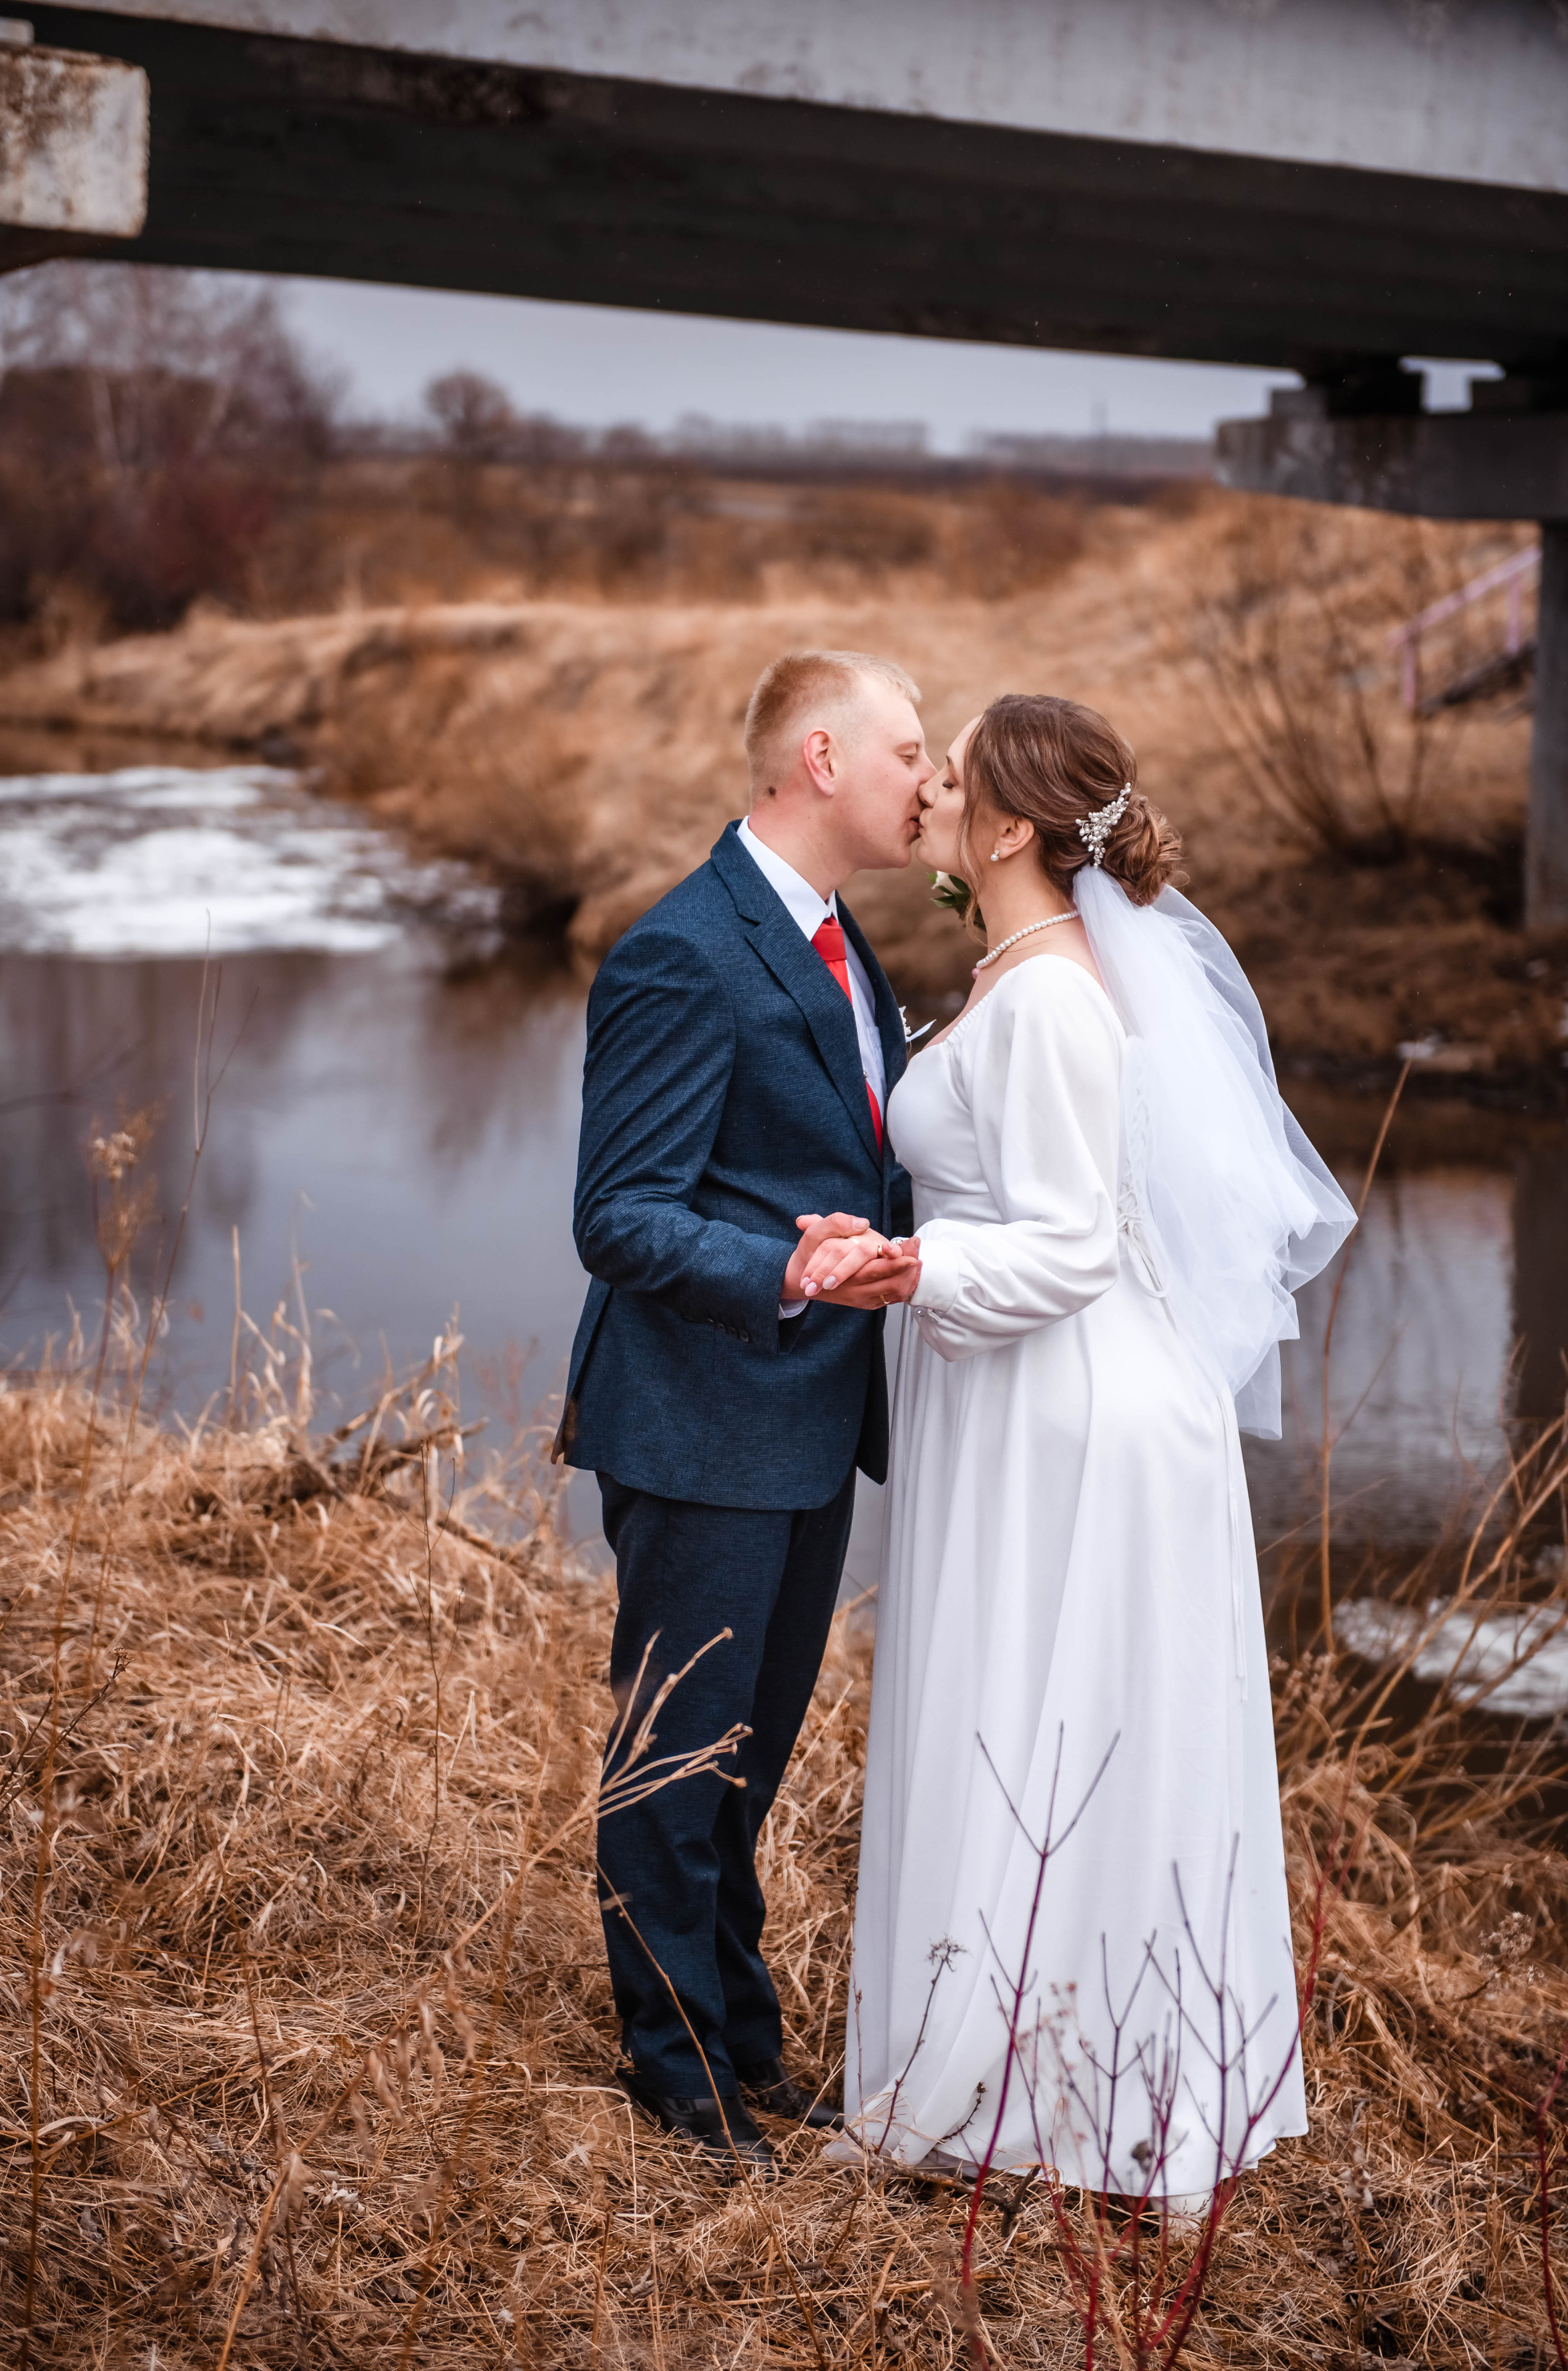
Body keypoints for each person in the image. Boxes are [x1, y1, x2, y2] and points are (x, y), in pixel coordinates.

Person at [799, 693, 1354, 2206]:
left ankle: (1044, 2095)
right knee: (1030, 1720)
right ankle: (1033, 2073)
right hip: (1020, 1395)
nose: (930, 792)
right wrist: (895, 1243)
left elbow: (1059, 1246)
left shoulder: (1046, 999)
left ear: (1011, 826)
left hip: (1066, 1410)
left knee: (1044, 1724)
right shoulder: (1017, 974)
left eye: (953, 773)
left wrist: (905, 1274)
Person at [557, 649, 933, 2172]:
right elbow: (620, 1216)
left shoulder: (842, 944)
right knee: (678, 1759)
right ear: (823, 757)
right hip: (702, 1417)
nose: (933, 783)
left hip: (801, 1422)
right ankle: (677, 2081)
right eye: (911, 752)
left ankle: (741, 2039)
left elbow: (856, 1155)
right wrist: (789, 1271)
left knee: (749, 1758)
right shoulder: (683, 952)